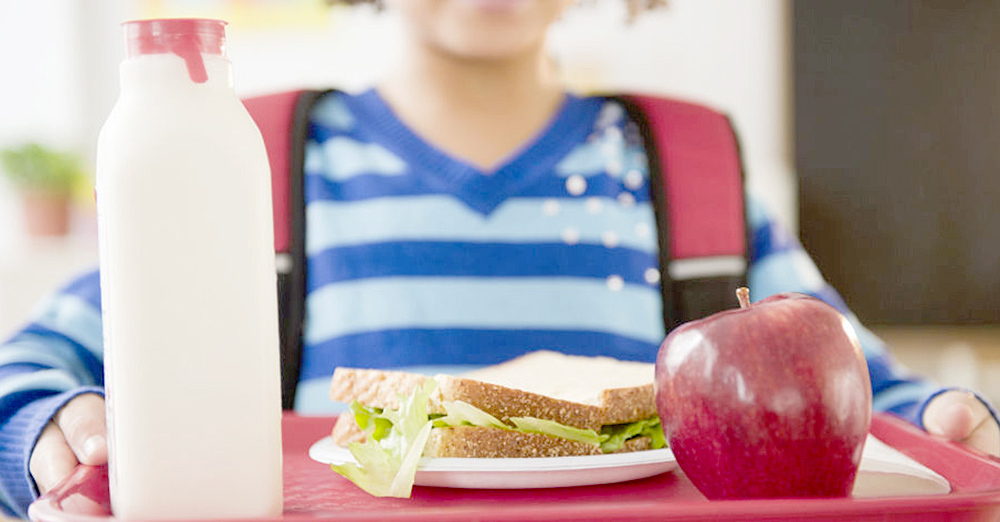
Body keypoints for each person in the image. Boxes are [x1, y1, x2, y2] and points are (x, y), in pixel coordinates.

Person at [1, 0, 998, 517]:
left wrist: (946, 423)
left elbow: (867, 397)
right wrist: (53, 426)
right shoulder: (241, 160)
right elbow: (31, 370)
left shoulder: (689, 173)